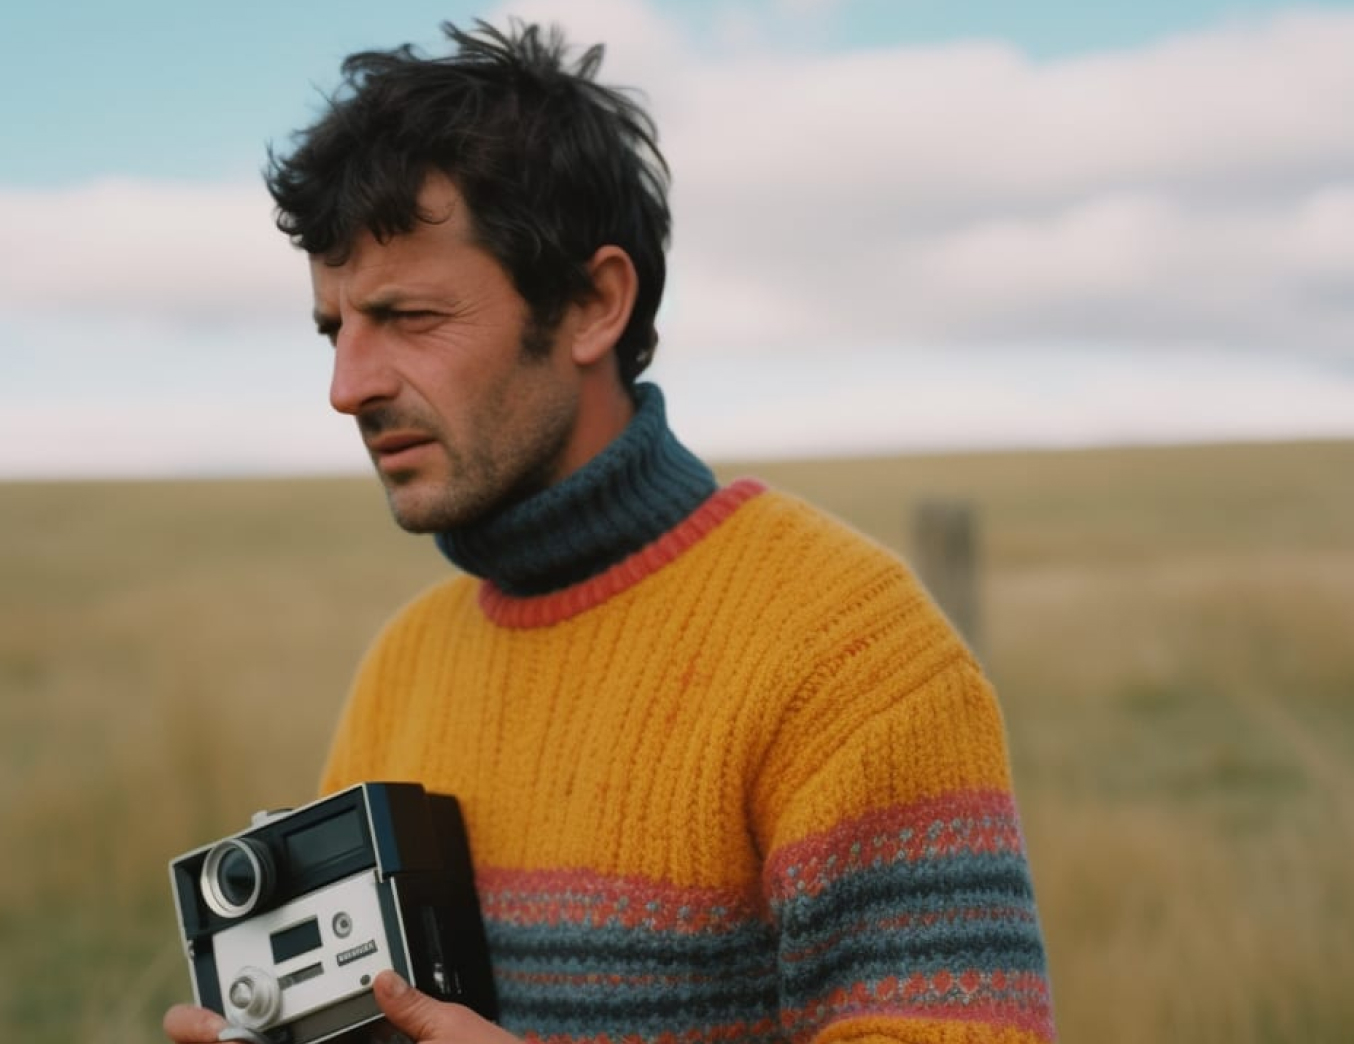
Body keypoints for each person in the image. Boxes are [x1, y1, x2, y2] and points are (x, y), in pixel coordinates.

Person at [165, 19, 1055, 1044]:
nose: (346, 386)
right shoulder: (405, 665)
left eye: (408, 318)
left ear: (593, 305)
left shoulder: (850, 653)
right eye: (334, 328)